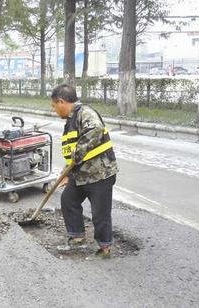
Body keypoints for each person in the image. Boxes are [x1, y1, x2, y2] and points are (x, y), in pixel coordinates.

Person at [50, 84, 118, 260]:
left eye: (53, 105)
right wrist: (67, 173)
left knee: (100, 213)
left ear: (61, 102)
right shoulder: (70, 121)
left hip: (99, 174)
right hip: (80, 175)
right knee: (68, 200)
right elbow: (71, 153)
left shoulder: (85, 113)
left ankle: (104, 249)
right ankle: (77, 237)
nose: (54, 109)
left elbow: (95, 130)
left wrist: (76, 156)